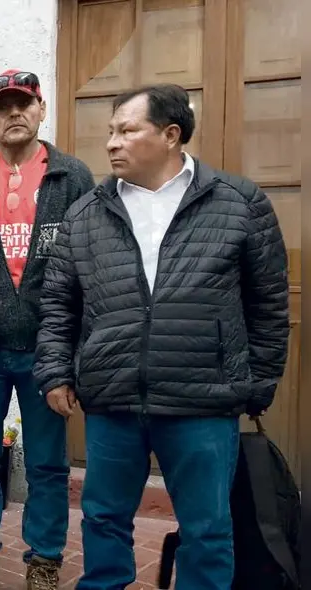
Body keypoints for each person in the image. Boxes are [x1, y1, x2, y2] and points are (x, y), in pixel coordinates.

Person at [34, 83, 290, 590]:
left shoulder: (238, 203)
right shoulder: (86, 213)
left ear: (171, 135)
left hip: (203, 400)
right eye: (110, 132)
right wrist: (56, 371)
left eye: (127, 130)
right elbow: (59, 303)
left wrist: (257, 385)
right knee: (103, 520)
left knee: (207, 529)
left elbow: (268, 305)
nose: (112, 143)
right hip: (113, 398)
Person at [0, 69, 96, 590]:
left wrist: (71, 349)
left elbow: (90, 266)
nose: (13, 114)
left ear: (41, 109)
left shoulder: (73, 177)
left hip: (45, 351)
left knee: (49, 465)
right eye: (2, 106)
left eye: (22, 104)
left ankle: (44, 559)